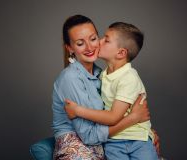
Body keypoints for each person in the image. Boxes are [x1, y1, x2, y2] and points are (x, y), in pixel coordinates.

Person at [30, 15, 154, 160]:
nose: (90, 47)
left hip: (105, 144)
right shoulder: (70, 78)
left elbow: (117, 110)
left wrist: (147, 134)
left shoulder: (102, 75)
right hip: (78, 147)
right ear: (70, 48)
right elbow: (89, 136)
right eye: (80, 43)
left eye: (93, 39)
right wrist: (133, 118)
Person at [65, 22, 159, 160]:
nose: (99, 41)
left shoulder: (128, 77)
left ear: (121, 53)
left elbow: (113, 116)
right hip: (113, 141)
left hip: (138, 140)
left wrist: (77, 111)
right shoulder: (103, 75)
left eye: (106, 40)